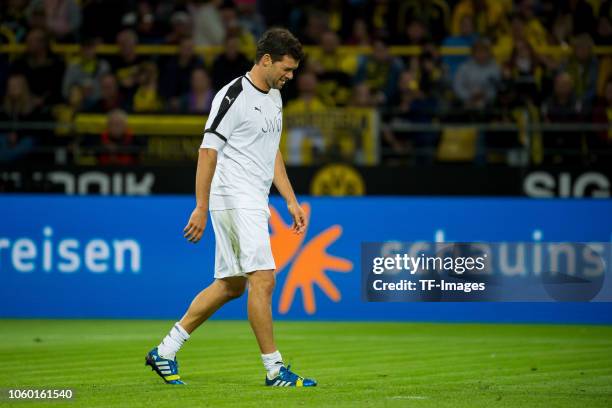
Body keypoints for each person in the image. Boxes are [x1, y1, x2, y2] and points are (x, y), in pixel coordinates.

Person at [145, 27, 317, 388]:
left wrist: (290, 199)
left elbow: (271, 154)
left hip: (254, 198)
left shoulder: (274, 96)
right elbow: (208, 151)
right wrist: (200, 206)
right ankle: (274, 370)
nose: (290, 76)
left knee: (231, 285)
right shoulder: (233, 95)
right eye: (286, 69)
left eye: (293, 71)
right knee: (263, 279)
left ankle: (165, 350)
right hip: (233, 197)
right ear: (266, 60)